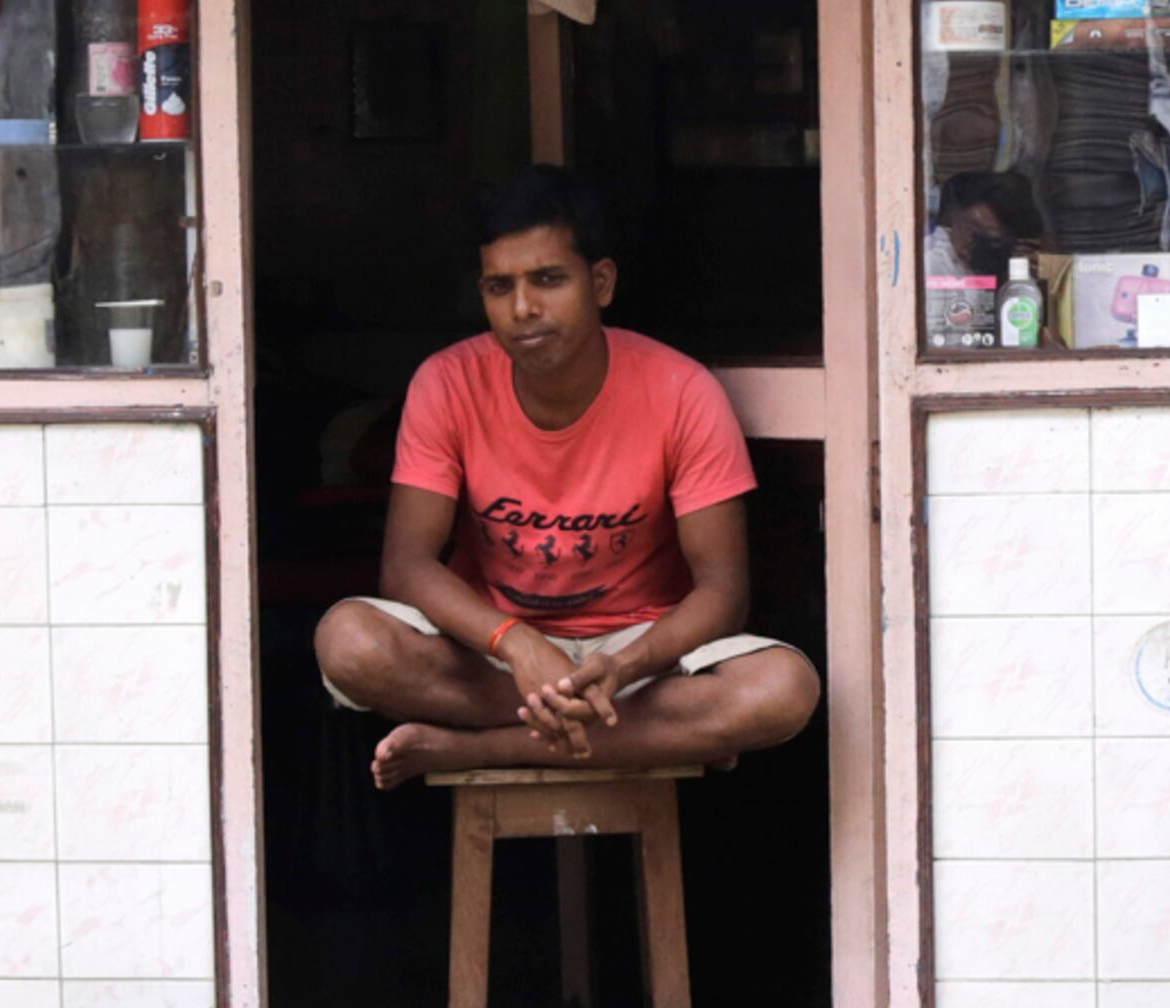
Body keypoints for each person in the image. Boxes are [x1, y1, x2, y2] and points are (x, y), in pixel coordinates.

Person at [316, 166, 824, 790]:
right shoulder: (447, 383)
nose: (523, 308)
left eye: (548, 280)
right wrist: (518, 644)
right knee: (349, 642)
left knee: (782, 689)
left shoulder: (681, 391)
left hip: (641, 659)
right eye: (500, 287)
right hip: (494, 654)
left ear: (601, 282)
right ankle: (641, 733)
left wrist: (626, 662)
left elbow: (724, 589)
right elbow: (406, 566)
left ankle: (481, 747)